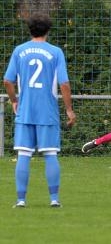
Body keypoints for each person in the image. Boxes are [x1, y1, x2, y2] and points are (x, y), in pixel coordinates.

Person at [3, 13, 76, 208]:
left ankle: (20, 200)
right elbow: (64, 83)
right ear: (48, 30)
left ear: (29, 30)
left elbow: (7, 81)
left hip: (25, 112)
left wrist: (14, 101)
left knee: (24, 154)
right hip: (48, 113)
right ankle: (54, 199)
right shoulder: (56, 52)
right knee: (50, 154)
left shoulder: (19, 51)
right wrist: (69, 110)